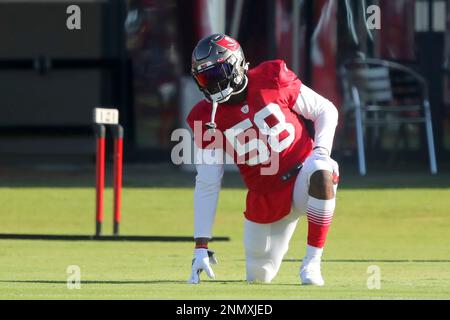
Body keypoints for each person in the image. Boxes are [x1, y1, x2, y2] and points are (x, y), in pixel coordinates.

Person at [186, 34, 339, 286]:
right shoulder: (206, 117)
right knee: (259, 276)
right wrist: (201, 246)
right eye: (204, 78)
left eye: (216, 74)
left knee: (322, 170)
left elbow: (325, 110)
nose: (211, 84)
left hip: (303, 176)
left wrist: (322, 150)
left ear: (235, 65)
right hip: (265, 198)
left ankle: (312, 262)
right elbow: (207, 182)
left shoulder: (272, 77)